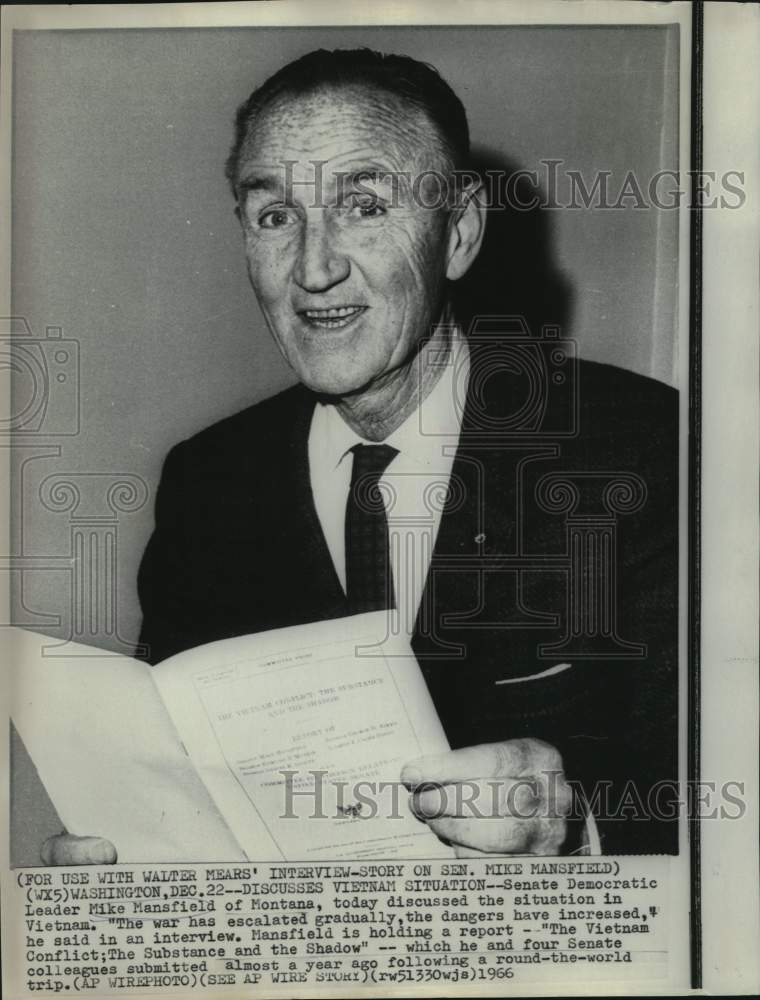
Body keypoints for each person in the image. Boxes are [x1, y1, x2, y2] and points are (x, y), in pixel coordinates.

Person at [43, 48, 677, 865]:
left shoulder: (642, 448)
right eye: (275, 217)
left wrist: (579, 826)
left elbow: (718, 799)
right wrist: (124, 853)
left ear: (460, 233)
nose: (313, 268)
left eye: (364, 206)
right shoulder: (209, 483)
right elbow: (188, 787)